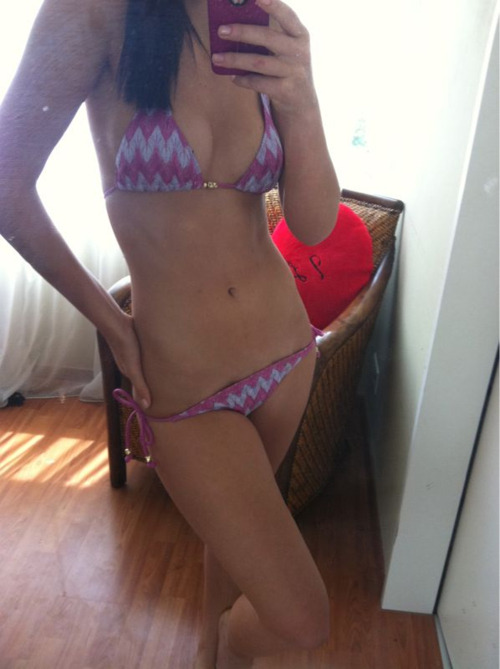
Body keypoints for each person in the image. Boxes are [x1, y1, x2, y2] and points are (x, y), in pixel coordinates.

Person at [0, 0, 340, 666]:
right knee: (301, 620)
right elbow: (7, 185)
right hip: (183, 384)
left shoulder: (255, 17)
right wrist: (111, 323)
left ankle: (212, 653)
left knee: (233, 545)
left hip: (285, 353)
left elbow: (314, 224)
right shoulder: (90, 13)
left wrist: (303, 100)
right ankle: (226, 647)